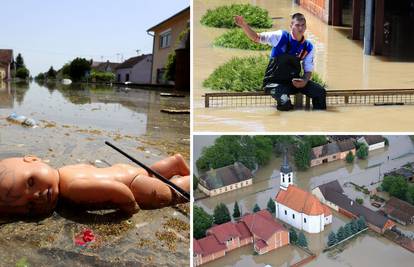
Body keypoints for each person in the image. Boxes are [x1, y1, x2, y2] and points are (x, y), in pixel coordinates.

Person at [0, 155, 190, 216]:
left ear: (33, 159)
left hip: (133, 185)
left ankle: (188, 181)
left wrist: (130, 207)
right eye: (30, 206)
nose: (36, 196)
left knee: (170, 194)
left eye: (31, 182)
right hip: (124, 171)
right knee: (149, 172)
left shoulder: (72, 188)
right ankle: (174, 163)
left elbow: (118, 190)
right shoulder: (65, 170)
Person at [235, 13, 326, 111]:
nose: (300, 28)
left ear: (306, 26)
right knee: (285, 102)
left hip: (293, 82)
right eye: (297, 25)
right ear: (291, 26)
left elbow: (308, 70)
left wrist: (304, 81)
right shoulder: (280, 36)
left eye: (303, 25)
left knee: (320, 92)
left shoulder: (308, 47)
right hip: (274, 83)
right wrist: (244, 25)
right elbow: (256, 37)